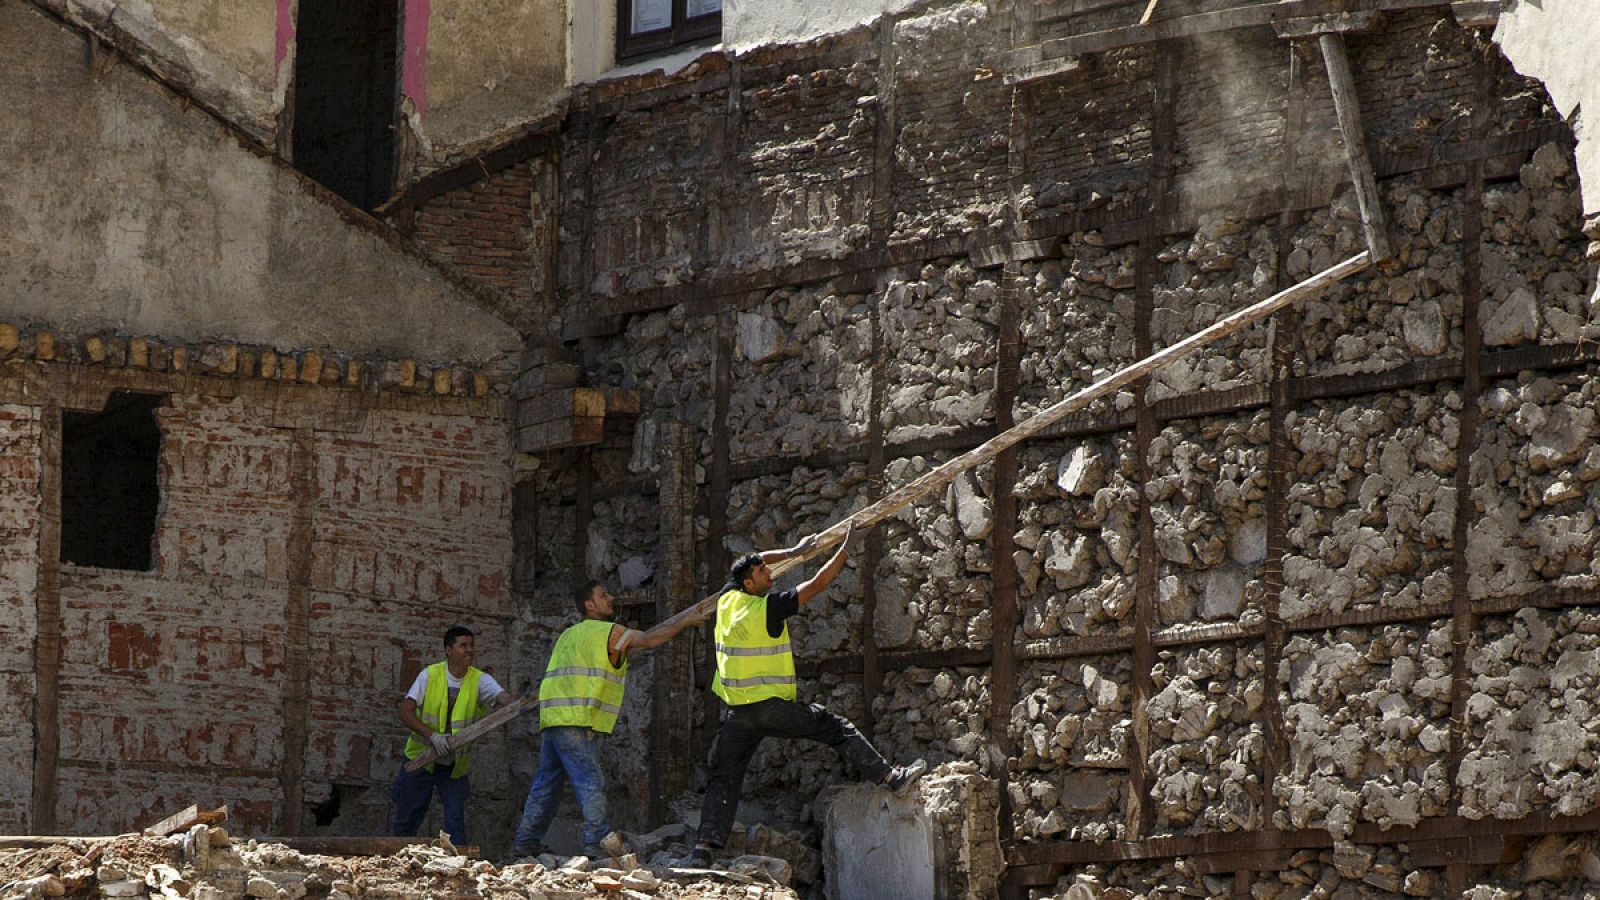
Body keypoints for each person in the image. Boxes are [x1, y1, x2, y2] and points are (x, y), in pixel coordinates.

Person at [685, 525, 926, 866]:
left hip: (738, 712)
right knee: (834, 727)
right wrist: (844, 549)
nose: (770, 574)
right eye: (762, 573)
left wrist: (793, 551)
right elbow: (817, 585)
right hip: (771, 708)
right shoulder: (766, 608)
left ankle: (704, 850)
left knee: (724, 776)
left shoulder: (727, 599)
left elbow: (754, 560)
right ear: (750, 584)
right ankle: (891, 779)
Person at [509, 580, 704, 859]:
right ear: (590, 605)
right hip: (578, 719)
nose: (611, 598)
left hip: (553, 719)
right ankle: (596, 842)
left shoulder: (568, 635)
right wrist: (687, 620)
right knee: (589, 780)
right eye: (604, 595)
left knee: (545, 785)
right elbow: (649, 639)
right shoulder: (609, 633)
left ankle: (525, 842)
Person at [392, 625, 510, 845]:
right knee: (407, 819)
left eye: (471, 645)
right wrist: (432, 736)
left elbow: (503, 698)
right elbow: (405, 712)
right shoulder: (430, 675)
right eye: (463, 645)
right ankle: (396, 861)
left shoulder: (479, 680)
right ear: (448, 649)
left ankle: (459, 867)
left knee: (455, 820)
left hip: (453, 766)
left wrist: (516, 704)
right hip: (421, 759)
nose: (469, 650)